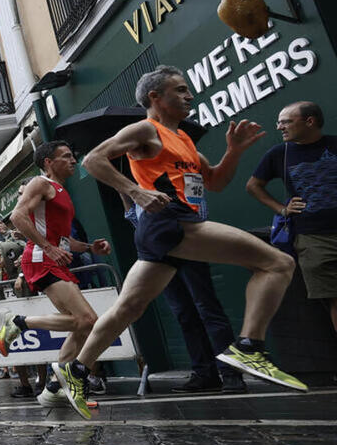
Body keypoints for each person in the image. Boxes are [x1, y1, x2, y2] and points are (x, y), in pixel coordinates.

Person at [54, 66, 303, 419]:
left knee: (128, 309)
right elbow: (94, 160)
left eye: (188, 90)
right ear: (155, 97)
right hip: (170, 223)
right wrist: (135, 191)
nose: (189, 96)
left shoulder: (183, 138)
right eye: (180, 90)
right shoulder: (145, 129)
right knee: (278, 263)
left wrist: (233, 151)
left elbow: (214, 181)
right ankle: (249, 346)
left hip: (169, 229)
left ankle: (74, 371)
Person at [0, 141, 112, 408]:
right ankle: (18, 322)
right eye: (66, 156)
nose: (73, 160)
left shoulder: (63, 192)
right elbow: (17, 216)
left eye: (73, 155)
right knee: (87, 319)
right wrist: (48, 247)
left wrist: (90, 247)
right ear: (48, 162)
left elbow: (63, 238)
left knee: (82, 324)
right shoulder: (40, 183)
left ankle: (53, 388)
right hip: (40, 258)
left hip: (53, 258)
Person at [120, 194, 245, 393]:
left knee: (208, 309)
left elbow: (199, 210)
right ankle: (205, 374)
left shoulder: (172, 173)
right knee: (184, 315)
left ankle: (231, 374)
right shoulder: (139, 184)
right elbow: (136, 221)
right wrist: (124, 193)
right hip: (159, 255)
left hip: (189, 247)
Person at [247, 101, 337, 336]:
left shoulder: (334, 145)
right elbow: (253, 186)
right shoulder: (279, 154)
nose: (279, 127)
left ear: (310, 121)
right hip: (314, 239)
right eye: (279, 122)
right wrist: (282, 209)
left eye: (286, 121)